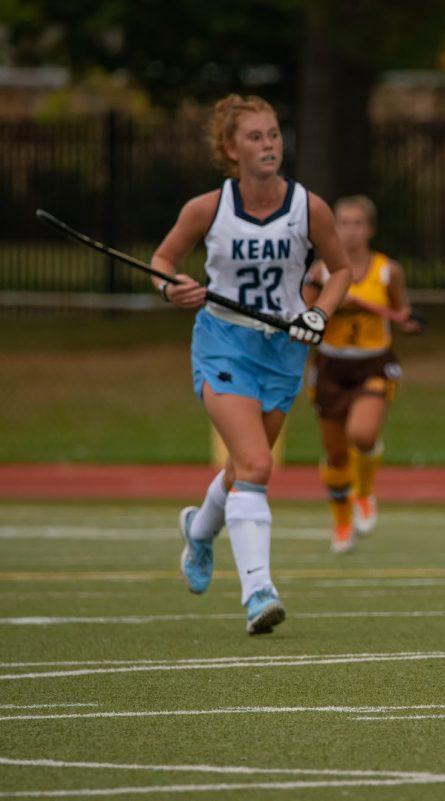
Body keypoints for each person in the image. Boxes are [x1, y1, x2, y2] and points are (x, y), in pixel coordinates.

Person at [151, 94, 352, 634]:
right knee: (259, 467)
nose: (269, 145)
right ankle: (257, 590)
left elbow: (340, 271)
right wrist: (174, 287)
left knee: (246, 466)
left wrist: (319, 313)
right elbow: (163, 261)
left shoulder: (309, 207)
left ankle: (199, 529)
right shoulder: (206, 208)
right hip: (224, 344)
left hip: (283, 351)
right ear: (229, 148)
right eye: (256, 137)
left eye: (274, 135)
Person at [302, 195, 421, 553]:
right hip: (330, 366)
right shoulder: (321, 272)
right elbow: (305, 315)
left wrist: (406, 320)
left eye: (357, 223)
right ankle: (341, 524)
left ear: (369, 228)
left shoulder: (388, 270)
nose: (350, 230)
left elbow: (402, 312)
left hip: (373, 363)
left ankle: (365, 493)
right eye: (343, 223)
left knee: (362, 434)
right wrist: (331, 303)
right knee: (336, 455)